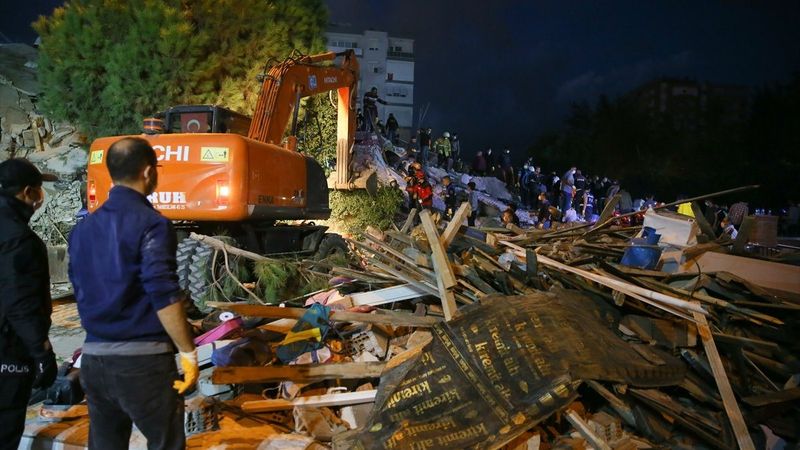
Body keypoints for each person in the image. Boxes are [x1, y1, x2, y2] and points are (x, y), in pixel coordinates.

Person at [68, 137, 198, 449]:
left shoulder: (82, 230)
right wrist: (188, 351)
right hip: (143, 365)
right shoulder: (153, 225)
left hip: (94, 361)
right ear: (149, 172)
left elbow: (79, 286)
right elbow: (162, 291)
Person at [0, 159, 58, 449]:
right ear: (26, 192)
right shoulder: (20, 239)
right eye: (38, 189)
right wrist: (42, 352)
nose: (41, 196)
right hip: (7, 352)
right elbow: (20, 302)